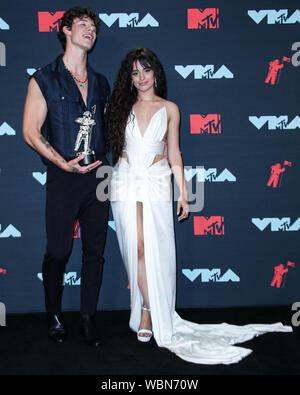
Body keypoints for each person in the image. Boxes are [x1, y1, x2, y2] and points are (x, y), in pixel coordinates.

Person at [105, 47, 292, 364]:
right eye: (135, 72)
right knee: (135, 248)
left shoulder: (170, 109)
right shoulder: (121, 106)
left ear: (156, 72)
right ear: (129, 77)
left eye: (146, 70)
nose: (141, 78)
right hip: (124, 180)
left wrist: (183, 192)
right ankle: (149, 307)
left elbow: (174, 153)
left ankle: (149, 311)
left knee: (152, 249)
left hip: (156, 179)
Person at [22, 6, 110, 347]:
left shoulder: (101, 83)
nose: (90, 31)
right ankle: (54, 314)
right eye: (83, 25)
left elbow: (114, 127)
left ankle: (88, 319)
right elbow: (30, 131)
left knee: (95, 251)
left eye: (94, 27)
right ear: (66, 30)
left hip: (99, 175)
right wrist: (63, 163)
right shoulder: (44, 78)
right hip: (64, 176)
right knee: (58, 251)